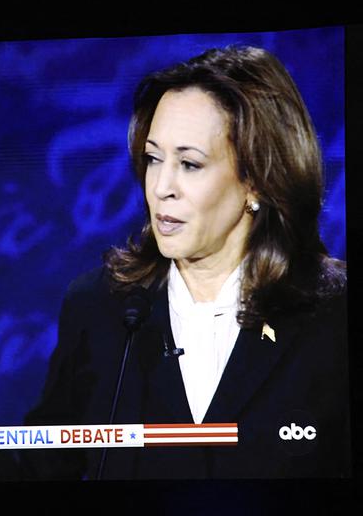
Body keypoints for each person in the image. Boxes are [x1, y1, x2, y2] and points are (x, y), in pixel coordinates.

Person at [21, 46, 349, 479]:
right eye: (154, 159)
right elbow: (38, 469)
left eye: (190, 164)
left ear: (257, 181)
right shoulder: (99, 306)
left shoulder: (334, 313)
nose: (161, 187)